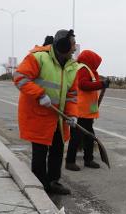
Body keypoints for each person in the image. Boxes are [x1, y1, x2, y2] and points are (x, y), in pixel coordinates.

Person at [14, 29, 79, 195]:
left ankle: (53, 182)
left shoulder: (72, 67)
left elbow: (72, 95)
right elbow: (20, 77)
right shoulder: (38, 57)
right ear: (62, 46)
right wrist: (40, 94)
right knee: (40, 152)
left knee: (57, 149)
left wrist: (72, 114)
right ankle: (39, 186)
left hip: (58, 118)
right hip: (39, 116)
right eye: (72, 45)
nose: (74, 49)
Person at [66, 50, 109, 170]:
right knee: (76, 137)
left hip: (86, 111)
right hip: (80, 111)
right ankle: (70, 161)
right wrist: (101, 84)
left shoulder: (87, 69)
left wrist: (101, 83)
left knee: (89, 136)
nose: (97, 66)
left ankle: (88, 159)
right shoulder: (83, 69)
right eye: (96, 63)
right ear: (91, 61)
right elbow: (83, 85)